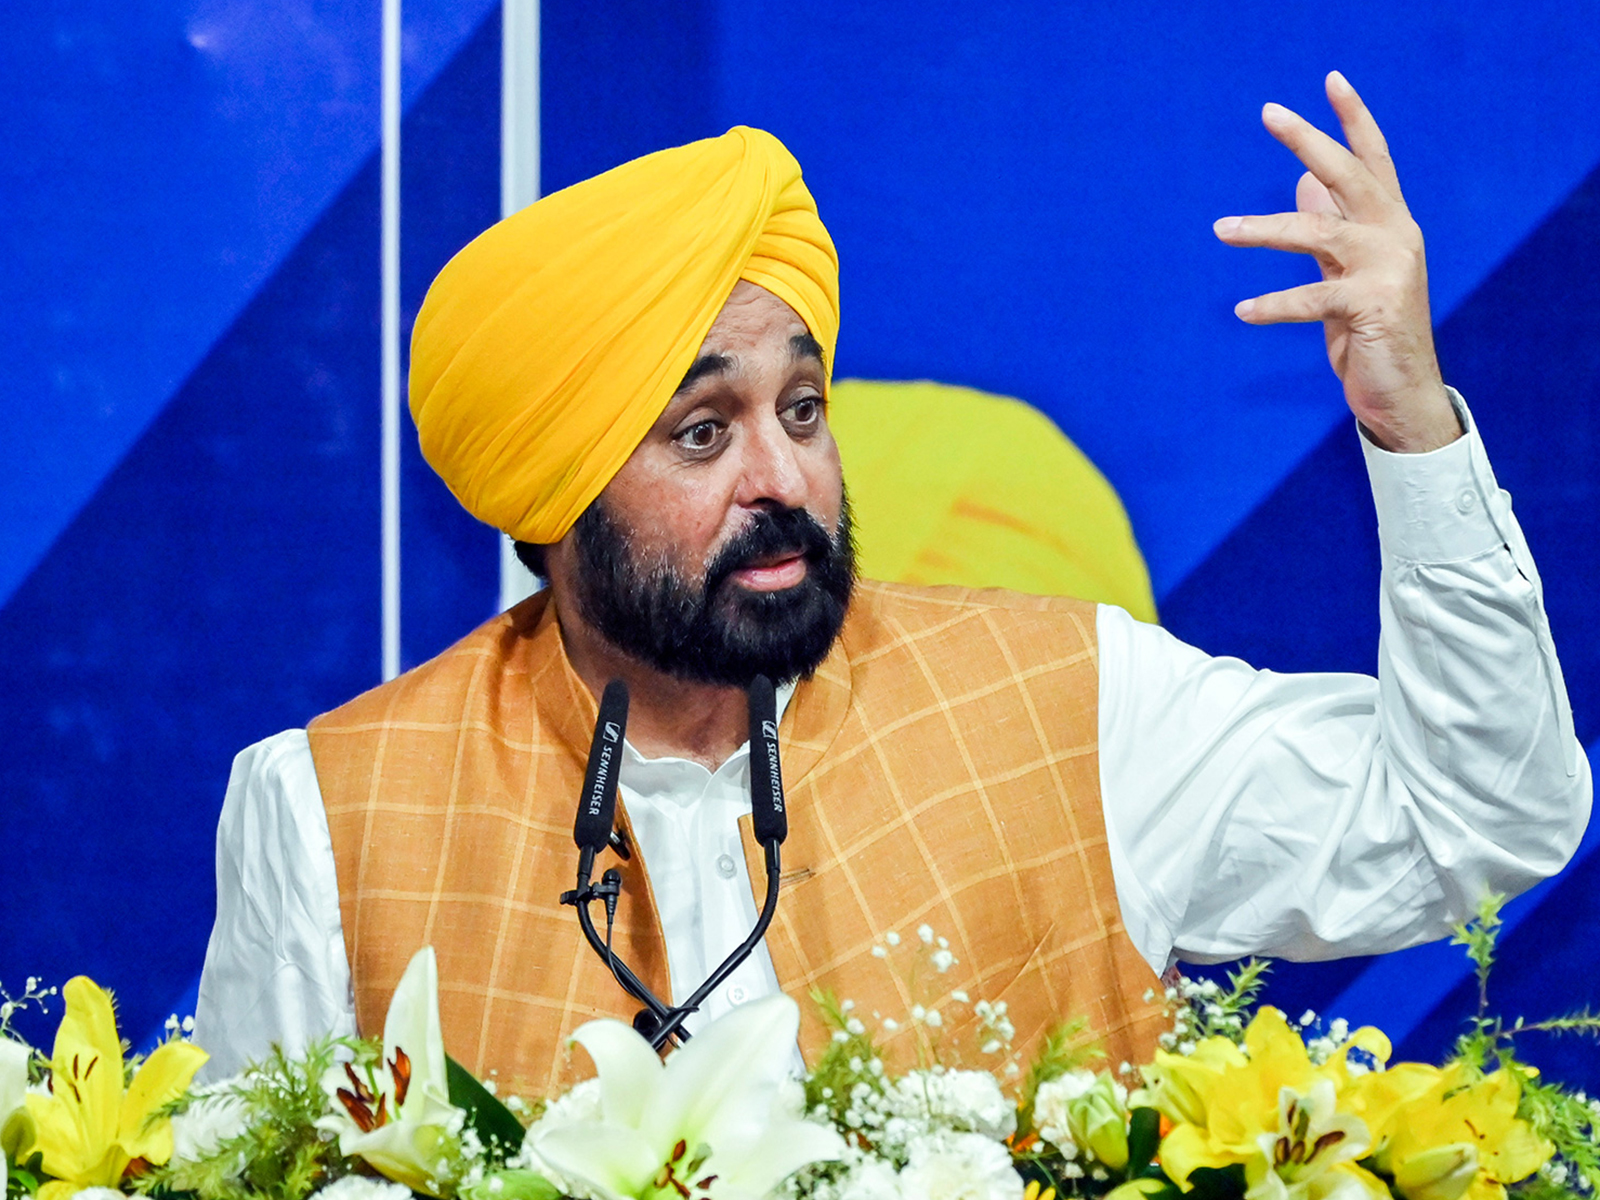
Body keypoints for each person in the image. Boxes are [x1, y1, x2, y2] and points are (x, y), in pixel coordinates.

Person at [194, 74, 1590, 1096]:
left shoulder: (1070, 705)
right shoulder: (331, 813)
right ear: (554, 499)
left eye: (802, 410)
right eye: (703, 433)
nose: (784, 477)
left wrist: (1411, 423)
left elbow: (1480, 818)